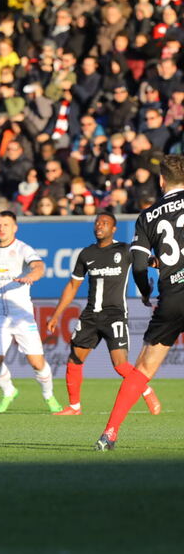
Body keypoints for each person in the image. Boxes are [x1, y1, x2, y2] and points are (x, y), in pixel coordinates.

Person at [97, 155, 184, 450]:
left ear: (161, 181)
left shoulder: (148, 216)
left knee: (144, 368)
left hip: (172, 295)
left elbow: (137, 263)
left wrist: (146, 292)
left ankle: (109, 433)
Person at [46, 213, 161, 417]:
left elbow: (146, 263)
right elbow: (73, 285)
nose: (100, 226)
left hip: (114, 315)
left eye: (105, 223)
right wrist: (57, 314)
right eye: (98, 222)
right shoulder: (86, 254)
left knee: (120, 365)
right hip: (90, 315)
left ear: (114, 228)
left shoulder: (125, 250)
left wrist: (153, 274)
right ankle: (74, 407)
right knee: (74, 360)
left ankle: (146, 390)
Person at [0, 211, 63, 413]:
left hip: (21, 315)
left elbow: (39, 266)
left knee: (36, 362)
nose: (1, 228)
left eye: (6, 225)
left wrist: (32, 276)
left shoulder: (23, 249)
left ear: (14, 227)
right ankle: (8, 391)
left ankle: (48, 395)